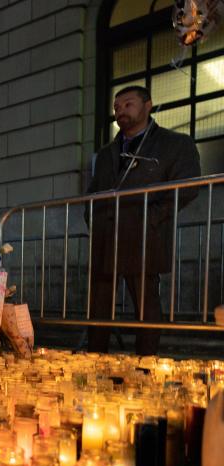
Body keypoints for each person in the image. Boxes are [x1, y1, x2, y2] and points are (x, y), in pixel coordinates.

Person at [86, 85, 201, 355]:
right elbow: (92, 192)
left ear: (147, 105)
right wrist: (94, 219)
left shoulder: (174, 144)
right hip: (107, 234)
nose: (120, 111)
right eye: (116, 107)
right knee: (98, 306)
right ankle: (94, 359)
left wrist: (153, 216)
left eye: (128, 104)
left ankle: (145, 363)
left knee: (146, 304)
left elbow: (188, 186)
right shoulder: (106, 154)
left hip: (145, 236)